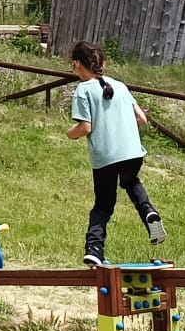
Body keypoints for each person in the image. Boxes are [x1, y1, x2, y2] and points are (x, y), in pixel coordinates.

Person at [67, 40, 167, 265]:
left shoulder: (83, 90)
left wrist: (69, 134)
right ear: (104, 63)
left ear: (77, 65)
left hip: (106, 157)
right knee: (131, 183)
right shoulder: (120, 86)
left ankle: (94, 248)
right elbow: (141, 119)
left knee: (103, 204)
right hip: (133, 153)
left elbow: (85, 127)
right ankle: (148, 212)